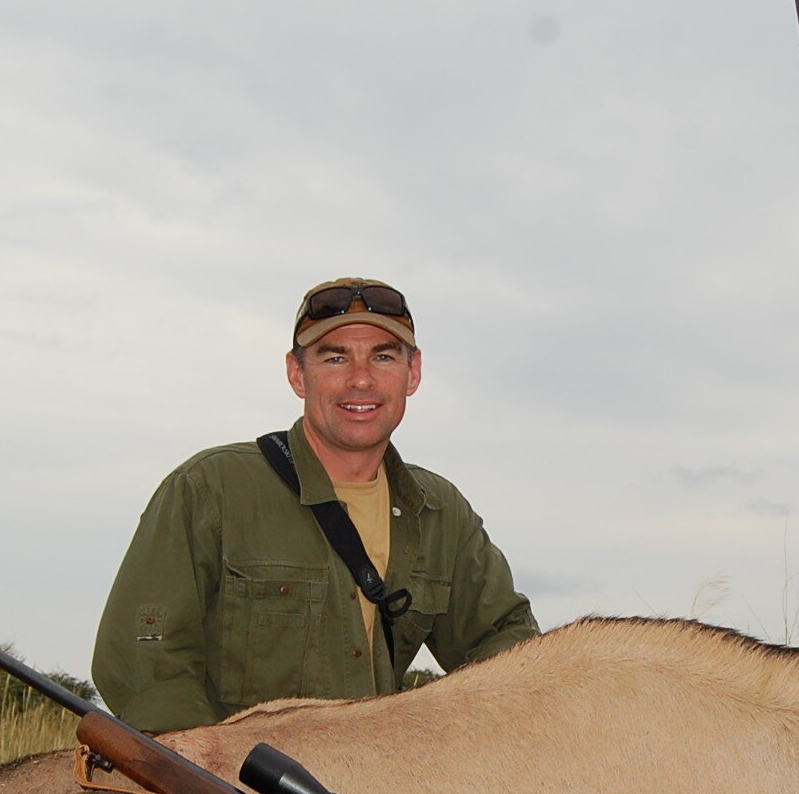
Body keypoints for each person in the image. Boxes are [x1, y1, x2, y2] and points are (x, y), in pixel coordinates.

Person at [93, 278, 539, 732]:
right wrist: (208, 775)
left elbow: (508, 647)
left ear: (414, 372)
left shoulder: (440, 511)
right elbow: (142, 658)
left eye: (383, 356)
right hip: (229, 788)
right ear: (296, 373)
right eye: (335, 357)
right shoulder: (209, 489)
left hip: (378, 789)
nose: (361, 379)